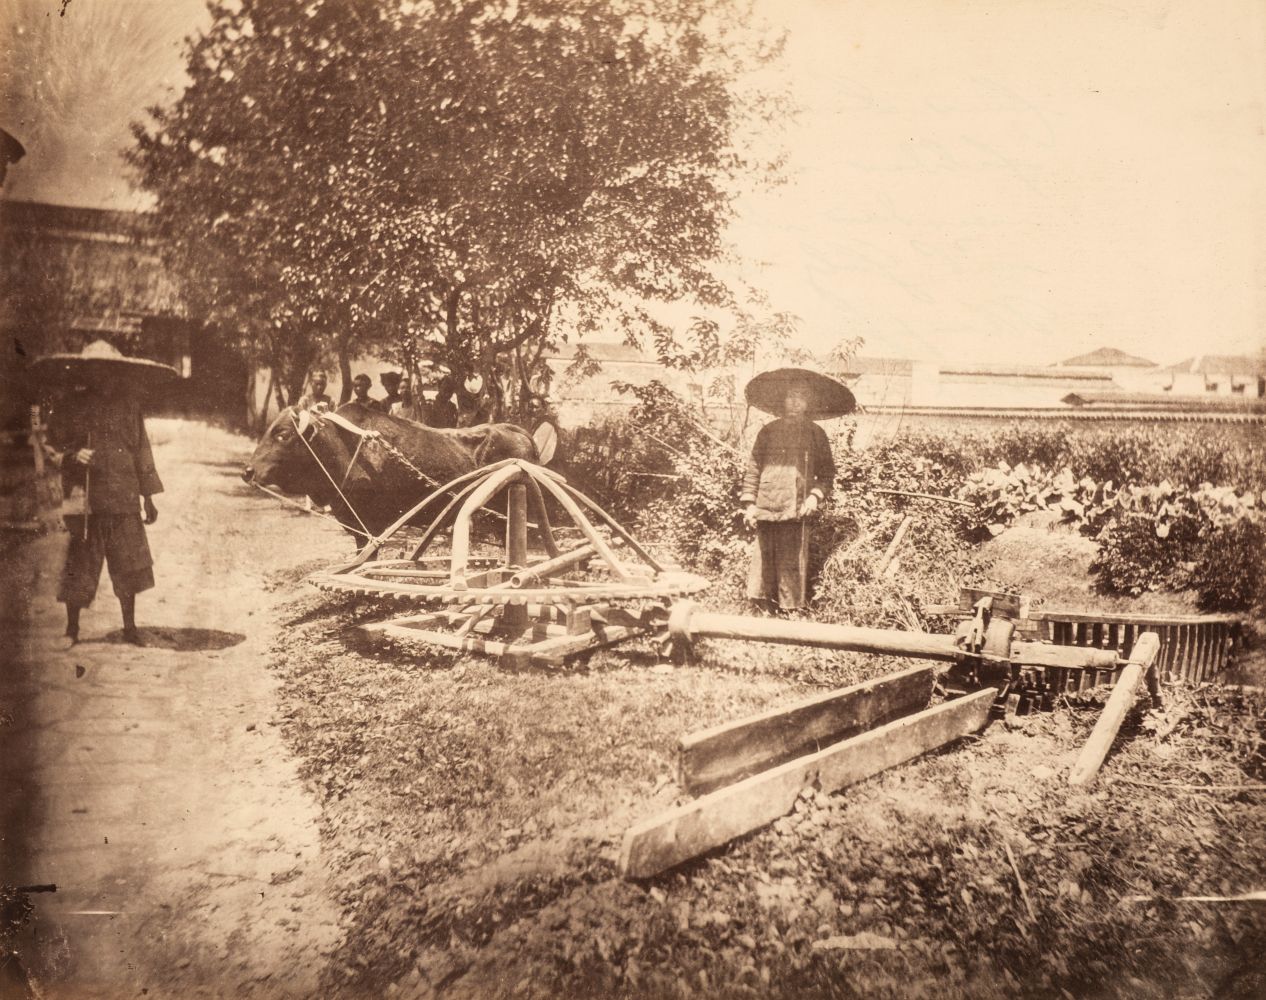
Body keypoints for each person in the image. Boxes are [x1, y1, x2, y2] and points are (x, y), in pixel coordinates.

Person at [44, 377, 164, 645]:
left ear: (118, 371)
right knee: (80, 563)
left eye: (110, 370)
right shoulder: (72, 406)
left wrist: (148, 497)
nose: (105, 377)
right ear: (89, 371)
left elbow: (142, 451)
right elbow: (50, 447)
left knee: (128, 564)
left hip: (124, 497)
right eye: (98, 370)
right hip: (87, 498)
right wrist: (72, 455)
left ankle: (129, 628)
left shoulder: (130, 406)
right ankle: (71, 630)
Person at [740, 383, 838, 611]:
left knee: (792, 562)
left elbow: (826, 473)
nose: (795, 402)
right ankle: (762, 608)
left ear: (808, 404)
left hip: (797, 506)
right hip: (765, 504)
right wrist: (749, 504)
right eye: (791, 397)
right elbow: (754, 467)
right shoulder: (768, 431)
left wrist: (814, 497)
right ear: (783, 400)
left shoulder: (816, 434)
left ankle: (790, 612)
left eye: (801, 398)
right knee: (764, 561)